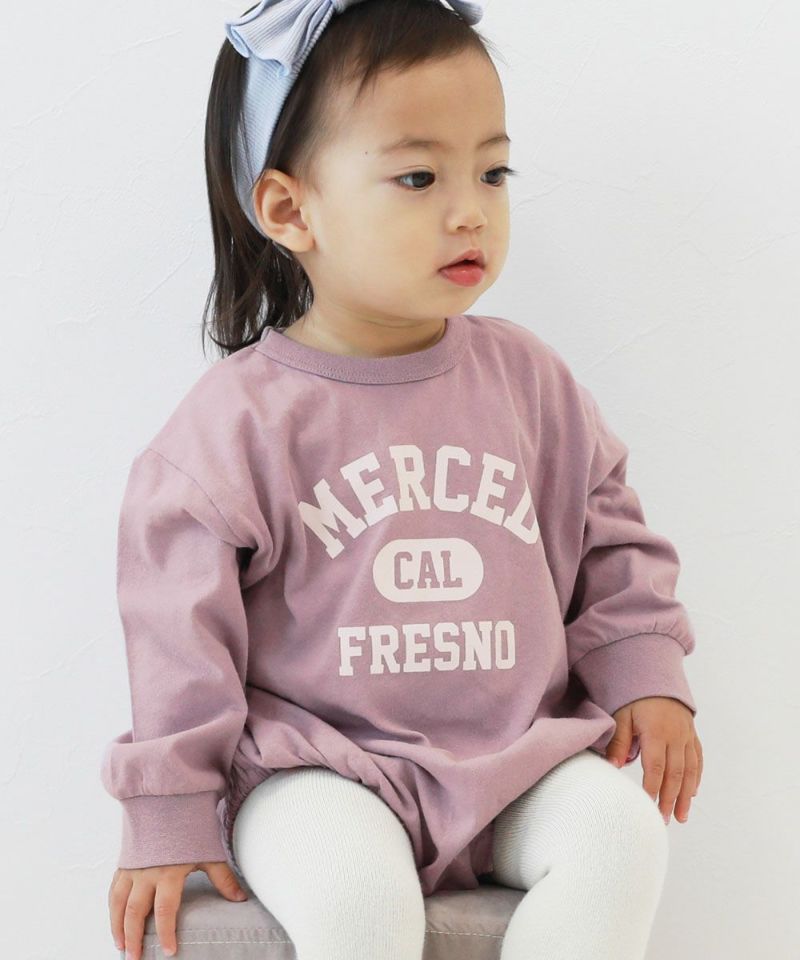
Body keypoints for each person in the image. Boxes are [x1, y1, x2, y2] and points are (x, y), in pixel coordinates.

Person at [103, 1, 704, 958]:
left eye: (492, 172)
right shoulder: (237, 425)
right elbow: (177, 638)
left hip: (516, 759)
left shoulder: (531, 383)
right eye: (418, 177)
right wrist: (169, 809)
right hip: (315, 773)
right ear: (290, 210)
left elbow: (611, 538)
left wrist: (644, 673)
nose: (470, 210)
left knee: (619, 838)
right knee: (358, 902)